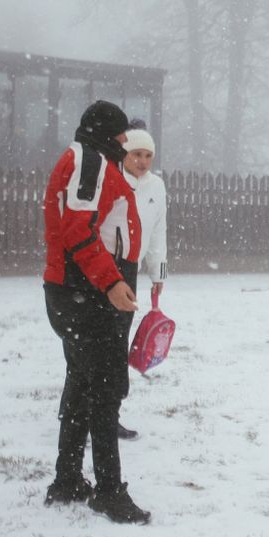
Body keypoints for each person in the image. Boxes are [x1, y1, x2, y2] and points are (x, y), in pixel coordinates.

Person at [41, 100, 151, 524]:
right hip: (86, 290)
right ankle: (108, 491)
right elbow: (77, 230)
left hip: (76, 288)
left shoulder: (88, 159)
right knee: (104, 391)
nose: (125, 141)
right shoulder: (89, 161)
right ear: (105, 132)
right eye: (120, 134)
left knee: (82, 383)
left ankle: (68, 479)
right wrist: (111, 283)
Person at [116, 122, 168, 441]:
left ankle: (110, 411)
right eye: (136, 154)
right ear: (124, 153)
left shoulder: (156, 187)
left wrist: (158, 273)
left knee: (119, 340)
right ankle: (84, 411)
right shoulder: (111, 180)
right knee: (102, 344)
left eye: (148, 155)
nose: (143, 161)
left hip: (131, 271)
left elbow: (159, 231)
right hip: (108, 269)